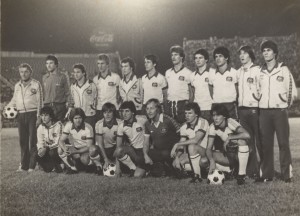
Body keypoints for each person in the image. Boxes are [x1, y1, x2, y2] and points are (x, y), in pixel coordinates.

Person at [258, 40, 297, 183]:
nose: (266, 53)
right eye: (264, 51)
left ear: (275, 53)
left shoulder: (283, 69)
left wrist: (283, 103)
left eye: (268, 50)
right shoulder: (259, 72)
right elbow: (256, 90)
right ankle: (267, 174)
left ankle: (287, 175)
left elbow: (292, 91)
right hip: (264, 112)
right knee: (266, 144)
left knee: (283, 143)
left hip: (280, 111)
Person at [6, 63, 43, 172]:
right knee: (23, 141)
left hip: (32, 114)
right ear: (19, 73)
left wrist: (39, 116)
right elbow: (14, 100)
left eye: (26, 71)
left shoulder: (36, 84)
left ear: (30, 72)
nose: (23, 74)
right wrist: (7, 107)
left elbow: (40, 102)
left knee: (32, 141)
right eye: (21, 72)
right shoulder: (17, 85)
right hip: (20, 115)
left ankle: (32, 165)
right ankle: (23, 165)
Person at [206, 104, 250, 185]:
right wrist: (211, 160)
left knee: (241, 142)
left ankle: (241, 175)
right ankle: (229, 171)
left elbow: (247, 135)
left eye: (218, 115)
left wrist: (229, 138)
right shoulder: (212, 126)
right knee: (206, 159)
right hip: (230, 154)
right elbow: (208, 148)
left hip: (243, 153)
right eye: (213, 115)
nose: (215, 118)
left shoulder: (230, 122)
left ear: (224, 116)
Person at [237, 45, 261, 178]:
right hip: (242, 110)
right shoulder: (238, 72)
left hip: (254, 109)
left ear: (250, 55)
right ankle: (252, 170)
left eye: (244, 53)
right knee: (247, 141)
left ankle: (263, 170)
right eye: (240, 53)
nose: (241, 56)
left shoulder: (257, 70)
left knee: (259, 141)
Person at [170, 102, 209, 183]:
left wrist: (177, 144)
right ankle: (197, 171)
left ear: (196, 114)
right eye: (186, 113)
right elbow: (182, 143)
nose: (187, 116)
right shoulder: (184, 127)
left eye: (190, 113)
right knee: (175, 163)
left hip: (206, 154)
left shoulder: (203, 122)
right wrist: (177, 157)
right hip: (194, 154)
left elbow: (196, 140)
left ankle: (197, 176)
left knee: (191, 146)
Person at [58, 108, 103, 174]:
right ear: (72, 119)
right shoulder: (68, 125)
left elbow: (89, 146)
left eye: (80, 118)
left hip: (86, 150)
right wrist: (65, 149)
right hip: (75, 148)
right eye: (75, 118)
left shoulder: (88, 127)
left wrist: (76, 152)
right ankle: (73, 168)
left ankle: (97, 165)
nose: (78, 120)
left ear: (83, 118)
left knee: (85, 158)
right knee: (60, 149)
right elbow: (61, 140)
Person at [143, 98, 180, 176]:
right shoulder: (147, 123)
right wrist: (145, 155)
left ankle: (168, 167)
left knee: (165, 153)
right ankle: (161, 167)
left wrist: (178, 153)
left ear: (158, 109)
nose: (149, 111)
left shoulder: (168, 120)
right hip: (158, 152)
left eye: (152, 108)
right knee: (145, 155)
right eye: (147, 109)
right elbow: (146, 143)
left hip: (172, 152)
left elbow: (182, 135)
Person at [114, 101, 147, 177]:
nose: (124, 114)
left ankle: (146, 168)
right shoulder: (121, 126)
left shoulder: (142, 120)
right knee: (119, 151)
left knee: (138, 175)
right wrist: (117, 168)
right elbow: (118, 147)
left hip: (144, 150)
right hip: (133, 151)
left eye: (127, 111)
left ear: (133, 112)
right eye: (122, 111)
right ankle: (133, 168)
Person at [165, 45, 193, 124]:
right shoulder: (168, 72)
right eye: (172, 55)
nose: (173, 57)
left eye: (176, 55)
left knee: (184, 129)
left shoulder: (188, 73)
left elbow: (191, 93)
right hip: (170, 105)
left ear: (181, 57)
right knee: (171, 130)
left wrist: (188, 106)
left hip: (182, 105)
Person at [209, 47, 239, 120]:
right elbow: (211, 92)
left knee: (232, 129)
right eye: (216, 56)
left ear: (226, 58)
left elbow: (238, 91)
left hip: (230, 106)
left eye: (220, 56)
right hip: (216, 105)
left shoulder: (234, 72)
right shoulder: (211, 74)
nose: (218, 58)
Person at [67, 63, 97, 128]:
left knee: (90, 135)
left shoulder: (91, 84)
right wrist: (69, 111)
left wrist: (93, 108)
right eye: (74, 72)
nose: (76, 74)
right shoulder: (73, 86)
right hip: (78, 116)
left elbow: (96, 98)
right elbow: (72, 101)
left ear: (83, 73)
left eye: (78, 72)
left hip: (89, 115)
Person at [93, 54, 121, 121]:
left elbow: (120, 94)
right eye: (98, 64)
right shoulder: (95, 79)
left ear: (107, 64)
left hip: (113, 109)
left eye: (102, 63)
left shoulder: (116, 77)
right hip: (100, 109)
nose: (100, 66)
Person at [43, 55, 70, 122]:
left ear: (56, 65)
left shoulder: (62, 77)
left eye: (51, 63)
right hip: (47, 106)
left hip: (59, 107)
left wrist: (70, 106)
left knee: (58, 129)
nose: (48, 65)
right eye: (47, 63)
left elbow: (68, 93)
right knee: (48, 129)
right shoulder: (44, 77)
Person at [95, 102, 122, 169]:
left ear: (114, 113)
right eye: (105, 112)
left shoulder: (120, 123)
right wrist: (105, 159)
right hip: (103, 149)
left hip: (114, 149)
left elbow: (120, 144)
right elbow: (100, 144)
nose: (107, 115)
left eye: (110, 112)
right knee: (94, 149)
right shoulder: (99, 124)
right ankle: (100, 164)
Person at [36, 106, 63, 173]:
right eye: (42, 115)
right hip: (48, 149)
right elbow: (40, 141)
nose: (43, 118)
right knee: (37, 154)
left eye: (46, 115)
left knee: (52, 152)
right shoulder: (40, 127)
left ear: (51, 116)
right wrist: (40, 149)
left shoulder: (58, 125)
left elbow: (58, 142)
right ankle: (52, 166)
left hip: (59, 149)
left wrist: (46, 149)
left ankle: (62, 164)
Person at [190, 49, 214, 123]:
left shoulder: (213, 72)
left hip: (209, 108)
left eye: (200, 58)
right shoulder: (192, 75)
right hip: (197, 110)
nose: (198, 60)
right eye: (196, 58)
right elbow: (193, 94)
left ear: (206, 59)